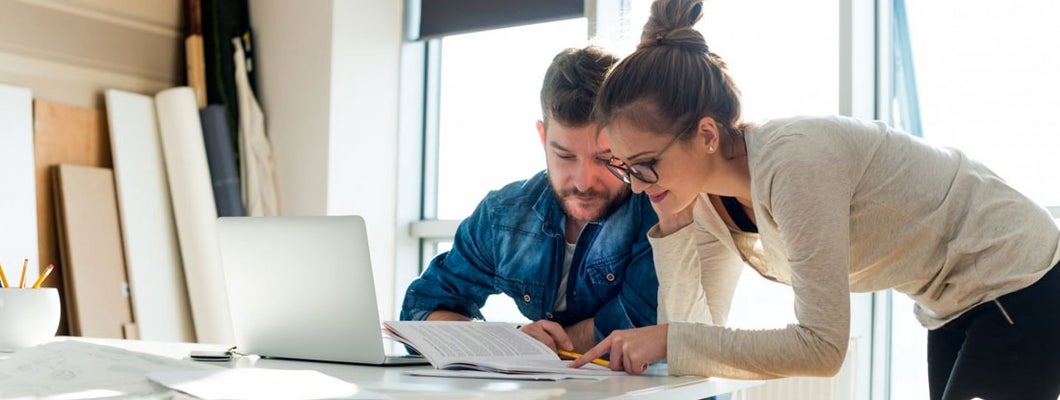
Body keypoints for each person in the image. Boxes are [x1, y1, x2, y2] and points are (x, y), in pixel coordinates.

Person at [568, 1, 1060, 399]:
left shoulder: (794, 165)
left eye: (645, 163)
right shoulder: (705, 201)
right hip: (948, 302)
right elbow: (693, 338)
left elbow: (823, 349)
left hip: (1013, 273)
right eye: (626, 167)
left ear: (706, 135)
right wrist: (673, 229)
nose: (635, 185)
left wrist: (670, 339)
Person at [400, 46, 660, 353]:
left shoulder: (657, 205)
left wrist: (534, 348)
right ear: (542, 137)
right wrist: (506, 341)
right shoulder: (503, 216)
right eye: (564, 155)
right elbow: (420, 308)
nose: (583, 181)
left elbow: (642, 318)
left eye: (605, 158)